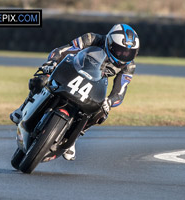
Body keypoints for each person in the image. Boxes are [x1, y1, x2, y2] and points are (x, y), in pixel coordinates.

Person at [10, 24, 140, 161]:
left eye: (128, 53)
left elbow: (120, 92)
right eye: (120, 51)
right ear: (110, 43)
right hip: (72, 70)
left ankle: (74, 137)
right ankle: (23, 107)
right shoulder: (92, 38)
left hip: (95, 84)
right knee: (42, 79)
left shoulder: (129, 66)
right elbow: (63, 51)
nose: (124, 56)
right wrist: (52, 62)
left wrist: (110, 101)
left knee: (101, 113)